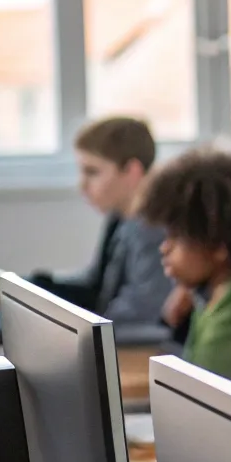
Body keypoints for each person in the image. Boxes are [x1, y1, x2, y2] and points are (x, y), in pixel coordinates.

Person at [138, 148, 231, 388]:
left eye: (177, 236)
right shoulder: (220, 285)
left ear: (218, 243)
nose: (165, 248)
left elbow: (205, 387)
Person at [32, 116, 170, 323]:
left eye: (92, 172)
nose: (82, 186)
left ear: (132, 171)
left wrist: (79, 328)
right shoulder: (120, 217)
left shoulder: (153, 230)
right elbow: (96, 285)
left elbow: (141, 311)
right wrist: (38, 287)